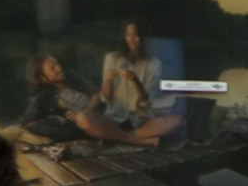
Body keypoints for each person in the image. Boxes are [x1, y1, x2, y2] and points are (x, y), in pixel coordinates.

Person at [20, 54, 164, 149]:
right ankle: (139, 141)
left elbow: (96, 94)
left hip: (105, 113)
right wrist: (60, 121)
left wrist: (84, 111)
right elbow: (28, 122)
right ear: (43, 78)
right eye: (52, 68)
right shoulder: (44, 97)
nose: (59, 68)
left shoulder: (70, 76)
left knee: (171, 122)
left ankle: (115, 134)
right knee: (83, 119)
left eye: (57, 63)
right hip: (89, 124)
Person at [98, 19, 185, 145]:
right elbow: (105, 97)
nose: (132, 39)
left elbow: (147, 100)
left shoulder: (154, 63)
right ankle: (140, 141)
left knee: (177, 120)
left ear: (144, 38)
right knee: (83, 118)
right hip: (114, 118)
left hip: (141, 121)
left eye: (136, 35)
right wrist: (108, 79)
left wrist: (135, 81)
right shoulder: (112, 58)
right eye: (128, 35)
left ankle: (117, 136)